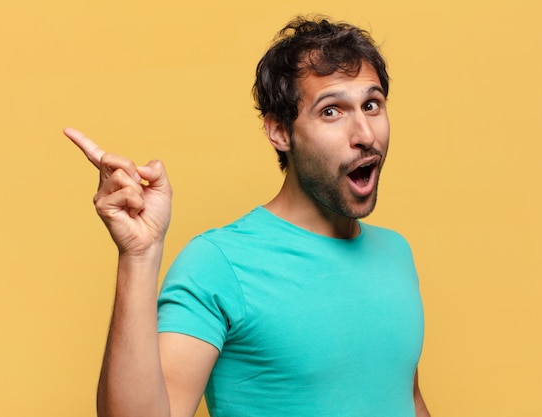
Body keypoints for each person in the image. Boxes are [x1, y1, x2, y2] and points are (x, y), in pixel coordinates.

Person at [65, 15, 430, 417]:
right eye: (331, 111)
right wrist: (137, 257)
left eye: (372, 105)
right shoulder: (218, 263)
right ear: (280, 132)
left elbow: (404, 400)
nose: (365, 133)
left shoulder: (396, 253)